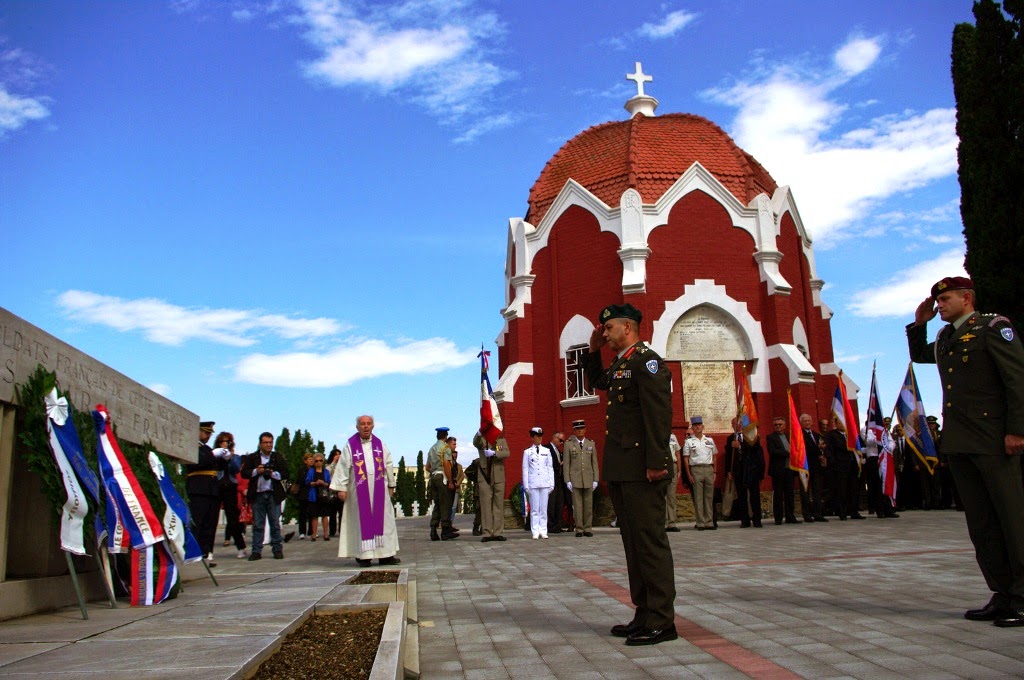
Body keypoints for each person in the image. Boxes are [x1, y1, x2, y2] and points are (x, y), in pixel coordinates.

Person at [907, 275, 1024, 626]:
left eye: (945, 300)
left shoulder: (993, 327)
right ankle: (1002, 593)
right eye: (937, 301)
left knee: (1012, 518)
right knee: (982, 523)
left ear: (967, 298)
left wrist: (1017, 430)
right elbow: (921, 357)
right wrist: (919, 325)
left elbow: (1016, 380)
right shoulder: (946, 336)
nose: (939, 305)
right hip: (960, 441)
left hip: (993, 438)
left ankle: (1023, 596)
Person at [584, 303, 677, 646]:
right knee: (633, 545)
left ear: (627, 327)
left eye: (608, 329)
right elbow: (598, 381)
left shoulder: (647, 362)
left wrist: (656, 462)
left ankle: (663, 621)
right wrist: (593, 350)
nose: (604, 333)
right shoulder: (623, 363)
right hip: (625, 468)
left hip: (643, 468)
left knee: (650, 544)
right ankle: (644, 613)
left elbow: (658, 415)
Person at [329, 415, 400, 567]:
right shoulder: (350, 445)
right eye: (362, 424)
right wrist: (341, 488)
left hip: (380, 489)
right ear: (357, 427)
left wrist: (391, 484)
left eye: (368, 424)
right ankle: (364, 556)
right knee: (361, 521)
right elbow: (342, 467)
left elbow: (388, 463)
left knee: (384, 522)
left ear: (373, 426)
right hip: (358, 491)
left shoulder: (380, 444)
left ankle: (385, 555)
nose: (366, 426)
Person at [186, 420, 229, 566]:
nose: (208, 436)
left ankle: (205, 554)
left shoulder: (206, 449)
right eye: (205, 432)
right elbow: (196, 462)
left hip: (212, 490)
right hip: (198, 489)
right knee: (197, 524)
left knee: (209, 526)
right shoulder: (192, 447)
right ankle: (194, 557)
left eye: (210, 433)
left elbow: (217, 468)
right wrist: (212, 454)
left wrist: (224, 459)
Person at [241, 432, 288, 561]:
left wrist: (272, 473)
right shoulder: (252, 457)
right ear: (260, 443)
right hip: (258, 494)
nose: (268, 445)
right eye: (266, 442)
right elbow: (244, 473)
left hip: (273, 494)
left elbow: (286, 473)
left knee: (275, 523)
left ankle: (277, 549)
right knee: (258, 524)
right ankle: (256, 551)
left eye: (270, 442)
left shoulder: (277, 457)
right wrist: (257, 471)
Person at [725, 417, 765, 528]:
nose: (733, 425)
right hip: (738, 471)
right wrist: (729, 470)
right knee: (741, 496)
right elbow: (729, 456)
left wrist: (740, 446)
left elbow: (756, 452)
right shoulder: (730, 438)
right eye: (732, 423)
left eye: (735, 423)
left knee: (754, 495)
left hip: (751, 470)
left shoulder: (752, 436)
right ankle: (744, 520)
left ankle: (757, 519)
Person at [472, 430, 510, 543]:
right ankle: (487, 533)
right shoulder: (482, 440)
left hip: (498, 475)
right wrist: (479, 432)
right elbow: (475, 442)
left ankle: (498, 532)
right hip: (485, 476)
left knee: (498, 504)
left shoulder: (501, 440)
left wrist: (494, 453)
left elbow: (507, 453)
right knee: (486, 505)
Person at [215, 431, 247, 559]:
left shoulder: (235, 457)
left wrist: (230, 456)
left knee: (232, 519)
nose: (224, 444)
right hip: (217, 486)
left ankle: (241, 547)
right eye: (222, 441)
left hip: (229, 487)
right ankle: (207, 550)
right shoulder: (214, 454)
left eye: (227, 441)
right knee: (212, 518)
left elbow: (235, 469)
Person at [564, 419, 599, 537]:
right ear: (574, 431)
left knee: (588, 504)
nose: (580, 431)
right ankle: (579, 528)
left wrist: (596, 479)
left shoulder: (591, 444)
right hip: (575, 478)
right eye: (577, 429)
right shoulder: (569, 444)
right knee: (577, 505)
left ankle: (588, 528)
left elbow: (595, 463)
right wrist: (567, 480)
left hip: (588, 478)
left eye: (582, 428)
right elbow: (567, 463)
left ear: (585, 430)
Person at [683, 416, 717, 530]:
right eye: (695, 425)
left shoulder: (709, 440)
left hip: (708, 469)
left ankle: (709, 521)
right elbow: (686, 459)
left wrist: (715, 471)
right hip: (696, 469)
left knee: (709, 496)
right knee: (698, 497)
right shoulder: (689, 441)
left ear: (703, 426)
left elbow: (714, 456)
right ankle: (700, 522)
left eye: (699, 425)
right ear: (692, 427)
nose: (698, 427)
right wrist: (689, 474)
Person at [766, 417, 799, 525]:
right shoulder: (770, 437)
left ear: (784, 426)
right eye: (776, 425)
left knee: (789, 493)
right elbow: (773, 451)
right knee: (778, 494)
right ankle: (778, 518)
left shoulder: (789, 436)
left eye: (780, 424)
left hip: (789, 469)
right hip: (778, 470)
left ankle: (790, 516)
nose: (778, 426)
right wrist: (787, 452)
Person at [523, 427, 554, 539]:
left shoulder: (547, 451)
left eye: (541, 436)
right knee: (535, 509)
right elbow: (525, 469)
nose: (539, 438)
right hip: (533, 483)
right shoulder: (527, 452)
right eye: (537, 436)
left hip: (545, 483)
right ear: (533, 437)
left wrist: (552, 483)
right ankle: (535, 531)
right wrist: (526, 485)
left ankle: (543, 530)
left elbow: (550, 468)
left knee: (544, 508)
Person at [427, 427, 457, 541]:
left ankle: (433, 530)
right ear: (445, 436)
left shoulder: (432, 449)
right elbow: (446, 465)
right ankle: (445, 531)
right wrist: (450, 481)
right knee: (446, 503)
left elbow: (427, 467)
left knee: (437, 504)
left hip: (433, 477)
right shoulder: (446, 448)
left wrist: (435, 472)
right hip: (442, 477)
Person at [799, 414, 828, 522]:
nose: (807, 422)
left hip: (816, 467)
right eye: (805, 421)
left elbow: (821, 448)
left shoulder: (816, 435)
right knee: (805, 491)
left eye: (809, 420)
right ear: (801, 423)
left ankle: (818, 513)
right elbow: (805, 449)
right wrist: (818, 448)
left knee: (817, 491)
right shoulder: (799, 435)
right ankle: (807, 514)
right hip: (805, 466)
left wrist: (822, 452)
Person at [305, 453, 333, 541]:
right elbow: (307, 481)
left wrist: (324, 483)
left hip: (324, 496)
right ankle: (314, 534)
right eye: (316, 461)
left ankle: (326, 534)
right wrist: (315, 483)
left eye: (320, 460)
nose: (318, 462)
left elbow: (329, 482)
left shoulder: (326, 472)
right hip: (314, 495)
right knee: (314, 516)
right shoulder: (311, 471)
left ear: (323, 461)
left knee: (325, 515)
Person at [546, 431, 567, 534]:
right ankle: (550, 525)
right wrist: (560, 464)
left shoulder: (559, 451)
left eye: (563, 441)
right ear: (554, 438)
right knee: (551, 503)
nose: (561, 443)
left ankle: (558, 525)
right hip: (551, 479)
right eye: (560, 440)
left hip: (559, 480)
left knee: (559, 502)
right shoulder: (547, 449)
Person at [664, 433, 682, 532]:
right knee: (662, 496)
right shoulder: (655, 433)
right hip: (661, 465)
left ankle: (671, 523)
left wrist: (679, 470)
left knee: (671, 496)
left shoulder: (673, 437)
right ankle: (663, 522)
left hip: (672, 465)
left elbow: (677, 454)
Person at [325, 446, 344, 536]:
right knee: (332, 512)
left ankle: (341, 531)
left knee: (342, 512)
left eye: (339, 454)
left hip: (341, 490)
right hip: (332, 491)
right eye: (336, 455)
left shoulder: (343, 465)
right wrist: (334, 462)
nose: (338, 456)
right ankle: (332, 531)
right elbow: (327, 472)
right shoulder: (329, 465)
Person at [297, 453, 314, 540]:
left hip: (312, 493)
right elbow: (300, 480)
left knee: (312, 513)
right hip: (303, 493)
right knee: (303, 513)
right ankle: (302, 532)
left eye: (312, 459)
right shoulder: (302, 469)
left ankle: (311, 531)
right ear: (305, 461)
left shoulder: (315, 469)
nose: (311, 461)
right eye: (309, 459)